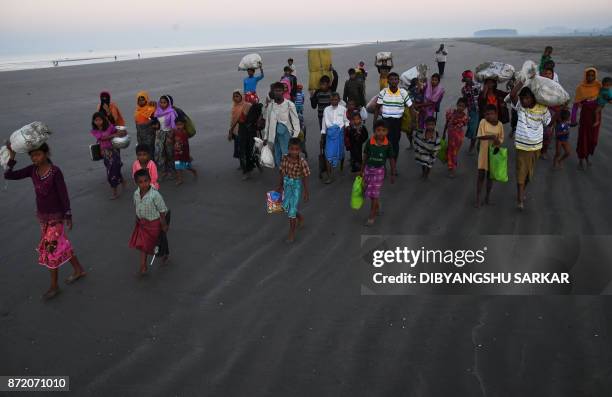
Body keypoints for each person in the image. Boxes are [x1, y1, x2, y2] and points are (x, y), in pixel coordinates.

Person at [4, 143, 87, 300]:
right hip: (43, 217)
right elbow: (8, 175)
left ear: (46, 153)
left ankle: (54, 287)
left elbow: (63, 194)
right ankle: (79, 270)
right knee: (63, 244)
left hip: (56, 218)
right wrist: (12, 156)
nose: (35, 158)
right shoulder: (32, 170)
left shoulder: (55, 172)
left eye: (38, 155)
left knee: (50, 250)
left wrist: (68, 215)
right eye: (32, 156)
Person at [510, 81, 552, 210]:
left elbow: (548, 124)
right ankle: (520, 198)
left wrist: (560, 110)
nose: (523, 101)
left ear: (533, 98)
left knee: (529, 174)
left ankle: (522, 190)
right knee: (521, 172)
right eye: (522, 98)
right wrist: (521, 82)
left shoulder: (543, 109)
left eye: (526, 98)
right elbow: (512, 95)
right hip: (522, 147)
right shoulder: (521, 108)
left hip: (536, 146)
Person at [129, 169, 169, 276]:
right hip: (142, 223)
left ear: (150, 180)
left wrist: (164, 224)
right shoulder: (136, 193)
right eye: (140, 182)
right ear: (136, 183)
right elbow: (136, 206)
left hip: (154, 224)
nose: (143, 184)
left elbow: (162, 210)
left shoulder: (155, 195)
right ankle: (143, 265)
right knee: (143, 245)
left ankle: (164, 253)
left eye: (146, 181)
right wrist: (137, 218)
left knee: (156, 243)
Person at [374, 72, 413, 171]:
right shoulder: (383, 92)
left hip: (397, 123)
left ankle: (393, 166)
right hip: (385, 123)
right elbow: (377, 107)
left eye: (396, 79)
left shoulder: (403, 93)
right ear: (388, 81)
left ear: (398, 81)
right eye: (392, 79)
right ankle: (383, 166)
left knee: (395, 144)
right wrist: (375, 122)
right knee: (384, 144)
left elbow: (411, 107)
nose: (394, 81)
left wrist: (412, 122)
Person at [361, 120, 396, 226]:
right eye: (378, 130)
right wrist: (361, 170)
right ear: (374, 131)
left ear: (387, 132)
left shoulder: (388, 145)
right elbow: (365, 156)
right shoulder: (369, 142)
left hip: (379, 172)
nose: (381, 133)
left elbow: (391, 159)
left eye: (383, 130)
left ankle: (372, 215)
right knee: (368, 191)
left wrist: (392, 173)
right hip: (368, 170)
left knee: (374, 194)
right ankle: (377, 205)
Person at [277, 138, 310, 243]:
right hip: (287, 184)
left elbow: (305, 176)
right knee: (286, 206)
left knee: (291, 211)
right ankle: (300, 217)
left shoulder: (302, 162)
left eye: (296, 149)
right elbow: (282, 172)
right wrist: (280, 186)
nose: (294, 152)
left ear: (300, 150)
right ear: (288, 149)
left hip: (295, 186)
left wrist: (306, 191)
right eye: (292, 149)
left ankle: (291, 233)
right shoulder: (284, 159)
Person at [571, 67, 602, 170]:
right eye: (588, 75)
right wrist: (573, 119)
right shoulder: (580, 87)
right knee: (583, 138)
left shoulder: (598, 85)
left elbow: (605, 96)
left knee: (593, 139)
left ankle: (587, 157)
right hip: (585, 116)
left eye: (592, 75)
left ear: (595, 76)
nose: (590, 77)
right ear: (585, 75)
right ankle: (581, 159)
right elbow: (575, 105)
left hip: (596, 116)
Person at [90, 111, 127, 199]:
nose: (98, 122)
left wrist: (122, 132)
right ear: (94, 122)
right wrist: (114, 134)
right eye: (96, 120)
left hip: (114, 150)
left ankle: (115, 191)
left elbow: (118, 131)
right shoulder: (95, 131)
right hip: (106, 153)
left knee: (114, 169)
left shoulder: (110, 127)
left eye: (100, 120)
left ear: (103, 120)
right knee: (111, 169)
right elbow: (101, 138)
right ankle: (121, 182)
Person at [263, 82, 300, 167]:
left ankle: (289, 176)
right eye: (276, 90)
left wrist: (295, 135)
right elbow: (267, 123)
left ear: (283, 92)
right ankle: (283, 175)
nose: (278, 92)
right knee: (277, 157)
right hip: (274, 136)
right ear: (273, 92)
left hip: (286, 134)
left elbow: (295, 121)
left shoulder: (289, 104)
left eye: (279, 90)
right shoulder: (270, 106)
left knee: (287, 155)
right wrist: (265, 137)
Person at [475, 104, 504, 208]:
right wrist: (491, 136)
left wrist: (496, 141)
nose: (489, 116)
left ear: (496, 114)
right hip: (483, 154)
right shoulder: (483, 122)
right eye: (487, 114)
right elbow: (480, 136)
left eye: (491, 113)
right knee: (481, 176)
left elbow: (501, 140)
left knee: (490, 177)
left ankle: (487, 197)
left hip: (493, 154)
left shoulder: (500, 125)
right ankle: (478, 198)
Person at [320, 92, 349, 183]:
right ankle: (329, 176)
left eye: (335, 99)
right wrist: (323, 134)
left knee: (340, 152)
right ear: (330, 100)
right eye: (332, 99)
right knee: (328, 155)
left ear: (339, 100)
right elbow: (324, 122)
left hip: (340, 133)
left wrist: (347, 129)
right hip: (329, 134)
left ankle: (341, 166)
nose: (333, 101)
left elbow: (346, 120)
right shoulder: (326, 109)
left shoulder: (343, 109)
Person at [443, 98, 469, 178]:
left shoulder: (465, 117)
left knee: (453, 152)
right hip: (450, 136)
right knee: (451, 152)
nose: (460, 108)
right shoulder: (450, 113)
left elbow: (462, 124)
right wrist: (444, 133)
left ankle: (452, 168)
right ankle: (451, 167)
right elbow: (447, 124)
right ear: (457, 104)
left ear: (465, 108)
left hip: (458, 137)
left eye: (462, 106)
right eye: (459, 105)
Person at [154, 95, 177, 179]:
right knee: (159, 152)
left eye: (164, 102)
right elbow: (155, 121)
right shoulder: (157, 111)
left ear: (168, 103)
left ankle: (171, 171)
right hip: (159, 134)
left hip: (168, 134)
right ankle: (163, 171)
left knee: (169, 153)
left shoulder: (171, 112)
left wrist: (170, 137)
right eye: (161, 102)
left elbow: (173, 126)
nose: (162, 104)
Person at [229, 89, 251, 169]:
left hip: (243, 131)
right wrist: (231, 131)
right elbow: (233, 119)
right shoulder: (234, 106)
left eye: (237, 96)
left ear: (242, 96)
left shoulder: (247, 105)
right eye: (234, 96)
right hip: (235, 131)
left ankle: (246, 166)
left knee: (243, 149)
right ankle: (242, 164)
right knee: (238, 149)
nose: (235, 98)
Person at [461, 70, 481, 154]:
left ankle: (477, 144)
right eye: (466, 78)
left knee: (479, 128)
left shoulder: (478, 85)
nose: (468, 79)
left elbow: (481, 94)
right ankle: (472, 144)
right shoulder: (464, 89)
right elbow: (465, 101)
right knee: (473, 129)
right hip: (472, 111)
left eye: (469, 77)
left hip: (480, 109)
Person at [173, 118, 197, 185]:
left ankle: (193, 171)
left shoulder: (184, 133)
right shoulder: (175, 131)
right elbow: (173, 140)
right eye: (177, 125)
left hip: (183, 153)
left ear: (184, 125)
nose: (179, 126)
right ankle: (180, 179)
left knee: (186, 166)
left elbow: (186, 145)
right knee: (177, 166)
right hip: (176, 152)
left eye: (180, 125)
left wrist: (186, 154)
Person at [134, 91, 156, 158]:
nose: (141, 101)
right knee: (142, 151)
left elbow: (154, 120)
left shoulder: (151, 109)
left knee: (150, 151)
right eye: (139, 100)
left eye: (143, 100)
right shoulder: (137, 110)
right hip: (140, 136)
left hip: (149, 136)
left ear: (146, 100)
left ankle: (151, 166)